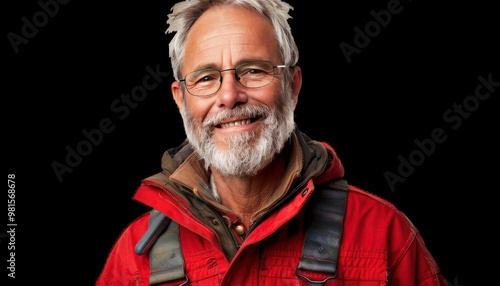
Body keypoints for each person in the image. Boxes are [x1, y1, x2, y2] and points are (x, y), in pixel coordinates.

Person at [96, 0, 450, 285]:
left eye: (253, 70)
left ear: (292, 86)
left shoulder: (382, 234)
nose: (230, 96)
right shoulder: (135, 256)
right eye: (206, 78)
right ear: (180, 98)